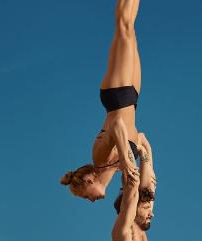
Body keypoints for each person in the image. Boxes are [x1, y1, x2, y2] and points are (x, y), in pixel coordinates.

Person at [60, 0, 156, 202]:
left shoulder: (100, 159)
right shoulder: (117, 169)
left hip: (116, 95)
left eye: (86, 197)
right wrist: (147, 164)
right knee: (131, 29)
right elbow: (141, 138)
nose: (91, 200)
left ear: (88, 181)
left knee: (124, 25)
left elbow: (116, 124)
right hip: (132, 98)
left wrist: (126, 159)